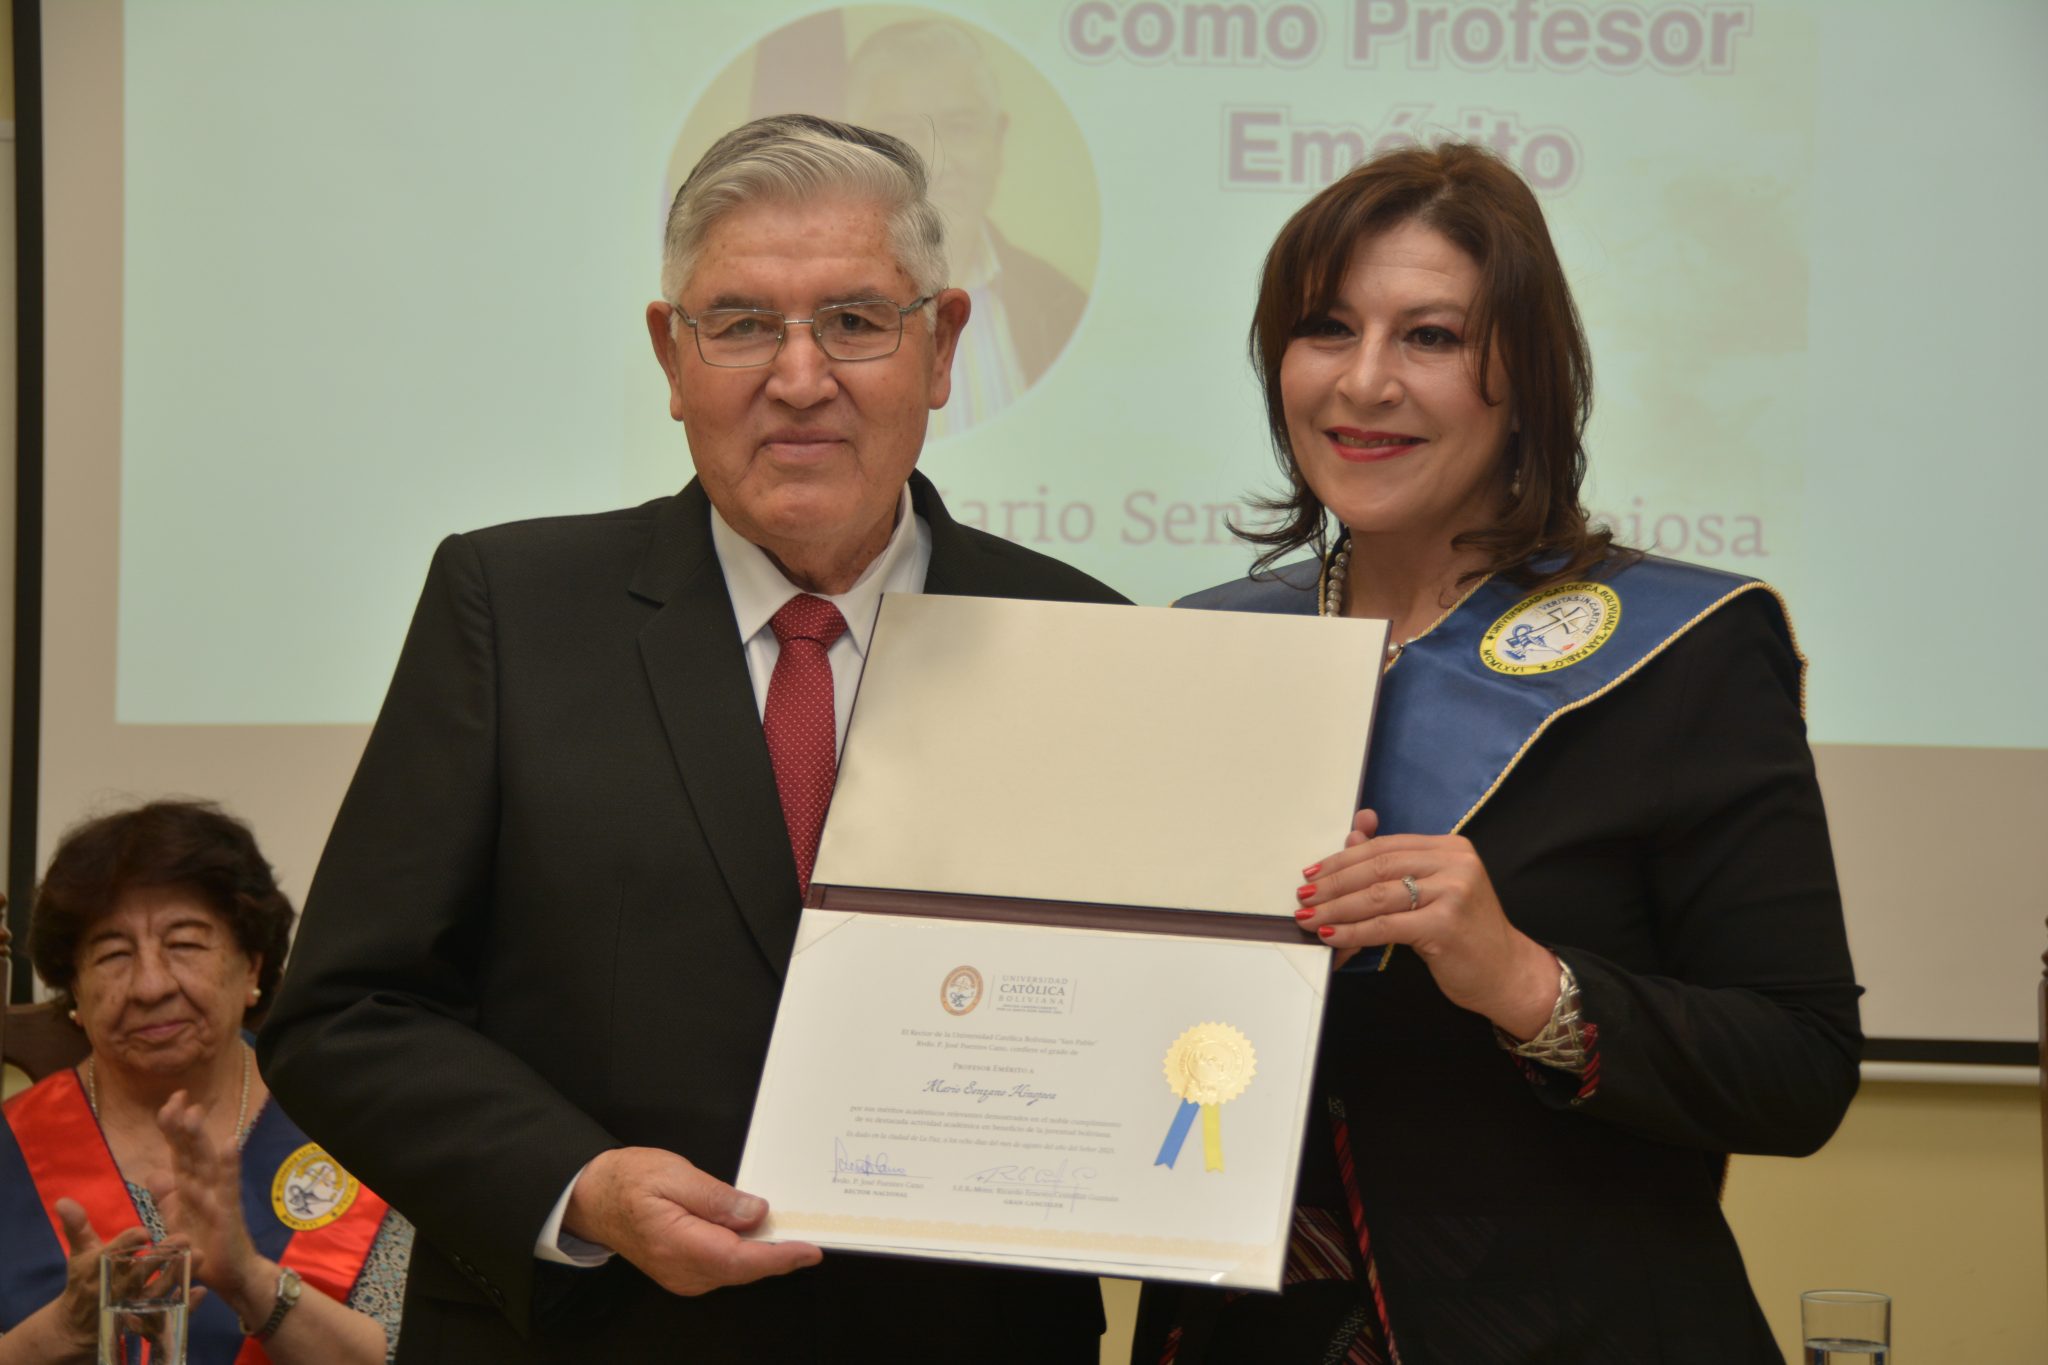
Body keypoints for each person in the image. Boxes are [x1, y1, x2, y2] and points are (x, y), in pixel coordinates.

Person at [256, 114, 1120, 1362]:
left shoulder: (1083, 640)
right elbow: (345, 1013)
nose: (799, 377)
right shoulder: (511, 610)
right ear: (672, 356)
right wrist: (578, 1186)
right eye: (742, 324)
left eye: (855, 320)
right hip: (596, 1332)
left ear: (941, 346)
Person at [1137, 143, 1861, 1363]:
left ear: (1524, 379)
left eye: (1428, 337)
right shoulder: (1202, 651)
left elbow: (1798, 1072)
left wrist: (1523, 982)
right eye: (1324, 329)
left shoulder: (1681, 651)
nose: (1363, 381)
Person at [0, 801, 411, 1364]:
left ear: (252, 966)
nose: (150, 986)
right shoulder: (10, 1145)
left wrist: (250, 1282)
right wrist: (55, 1334)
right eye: (113, 954)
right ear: (75, 989)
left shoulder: (352, 1135)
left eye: (185, 945)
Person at [844, 19, 1088, 434]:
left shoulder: (1062, 305)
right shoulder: (804, 306)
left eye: (961, 128)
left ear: (998, 138)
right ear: (853, 147)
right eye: (902, 133)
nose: (937, 163)